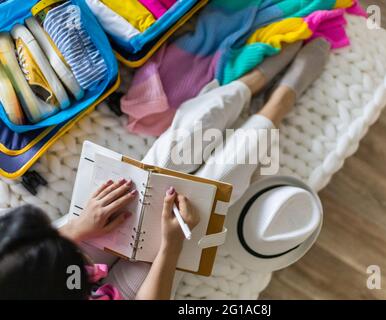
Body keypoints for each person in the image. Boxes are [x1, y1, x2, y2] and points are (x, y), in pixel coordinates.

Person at [0, 38, 330, 299]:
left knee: (157, 171)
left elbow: (26, 253)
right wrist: (171, 247)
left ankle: (246, 86)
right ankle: (277, 105)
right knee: (205, 199)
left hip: (51, 271)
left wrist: (77, 229)